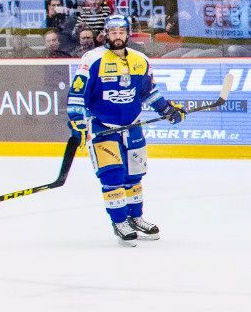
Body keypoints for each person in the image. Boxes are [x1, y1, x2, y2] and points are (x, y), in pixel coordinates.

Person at [66, 15, 185, 245]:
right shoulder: (92, 59)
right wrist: (76, 121)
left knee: (134, 176)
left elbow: (149, 92)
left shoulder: (140, 60)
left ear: (127, 33)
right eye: (113, 32)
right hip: (103, 126)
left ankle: (135, 217)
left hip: (132, 126)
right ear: (106, 34)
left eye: (121, 31)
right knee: (112, 175)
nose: (117, 36)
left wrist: (167, 109)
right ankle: (119, 221)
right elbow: (77, 93)